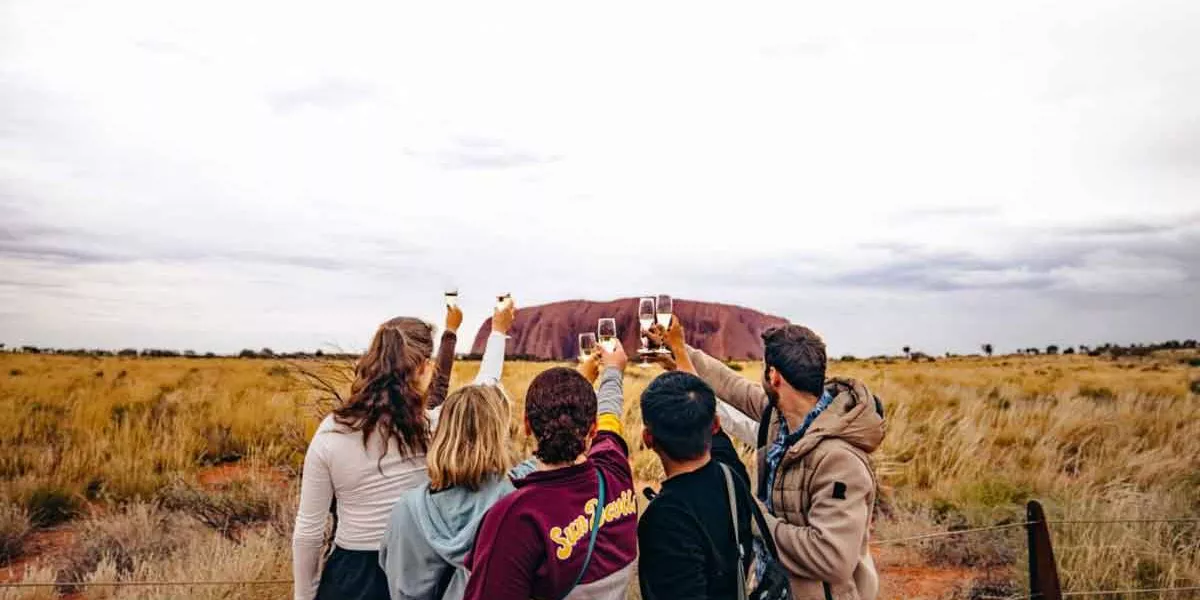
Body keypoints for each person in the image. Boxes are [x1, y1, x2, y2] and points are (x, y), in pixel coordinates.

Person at [292, 299, 516, 600]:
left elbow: (308, 534)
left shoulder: (332, 432)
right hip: (416, 571)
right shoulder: (432, 429)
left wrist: (305, 596)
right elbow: (484, 391)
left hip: (350, 577)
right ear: (423, 368)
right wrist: (498, 330)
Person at [652, 317, 885, 600]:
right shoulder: (780, 416)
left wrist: (753, 517)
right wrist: (679, 349)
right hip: (774, 586)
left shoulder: (839, 461)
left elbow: (831, 558)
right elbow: (729, 383)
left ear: (774, 377)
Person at [462, 341, 638, 600]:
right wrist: (613, 371)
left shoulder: (515, 517)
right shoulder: (615, 470)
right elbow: (610, 414)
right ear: (593, 429)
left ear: (526, 426)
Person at [378, 383, 537, 600]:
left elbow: (394, 577)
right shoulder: (512, 505)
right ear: (497, 437)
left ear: (442, 433)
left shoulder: (407, 510)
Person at [637, 371, 754, 600]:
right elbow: (702, 413)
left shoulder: (664, 520)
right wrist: (679, 350)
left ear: (647, 439)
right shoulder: (732, 475)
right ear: (716, 425)